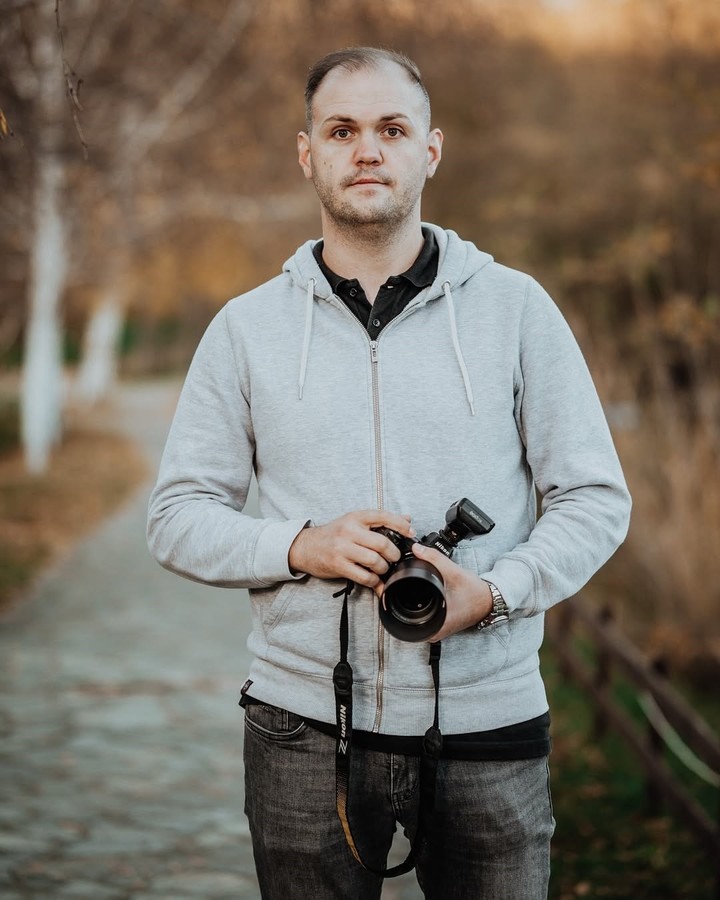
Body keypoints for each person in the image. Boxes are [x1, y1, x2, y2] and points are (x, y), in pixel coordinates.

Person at [147, 47, 631, 900]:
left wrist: (496, 591)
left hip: (490, 724)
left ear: (430, 151)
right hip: (300, 728)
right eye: (342, 130)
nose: (367, 150)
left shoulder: (517, 310)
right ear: (309, 155)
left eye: (391, 129)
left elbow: (594, 498)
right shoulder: (245, 328)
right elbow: (177, 514)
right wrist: (302, 546)